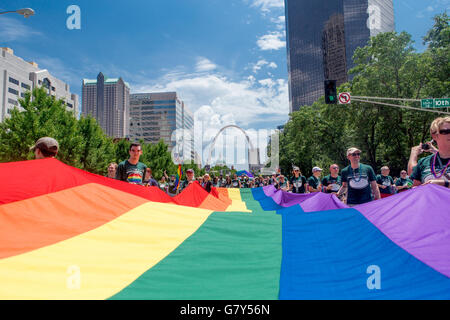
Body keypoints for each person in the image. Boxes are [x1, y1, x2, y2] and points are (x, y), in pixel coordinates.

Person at [410, 117, 450, 188]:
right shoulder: (423, 162)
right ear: (434, 136)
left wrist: (445, 183)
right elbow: (415, 188)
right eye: (446, 131)